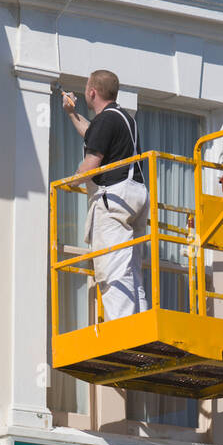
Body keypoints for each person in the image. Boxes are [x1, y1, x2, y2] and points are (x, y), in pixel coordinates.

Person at [62, 70, 149, 321]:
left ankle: (122, 334)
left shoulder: (105, 121)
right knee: (131, 268)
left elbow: (91, 164)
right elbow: (93, 134)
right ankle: (139, 328)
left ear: (92, 92)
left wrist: (70, 181)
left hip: (115, 197)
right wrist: (71, 113)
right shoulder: (124, 118)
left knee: (112, 269)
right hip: (135, 194)